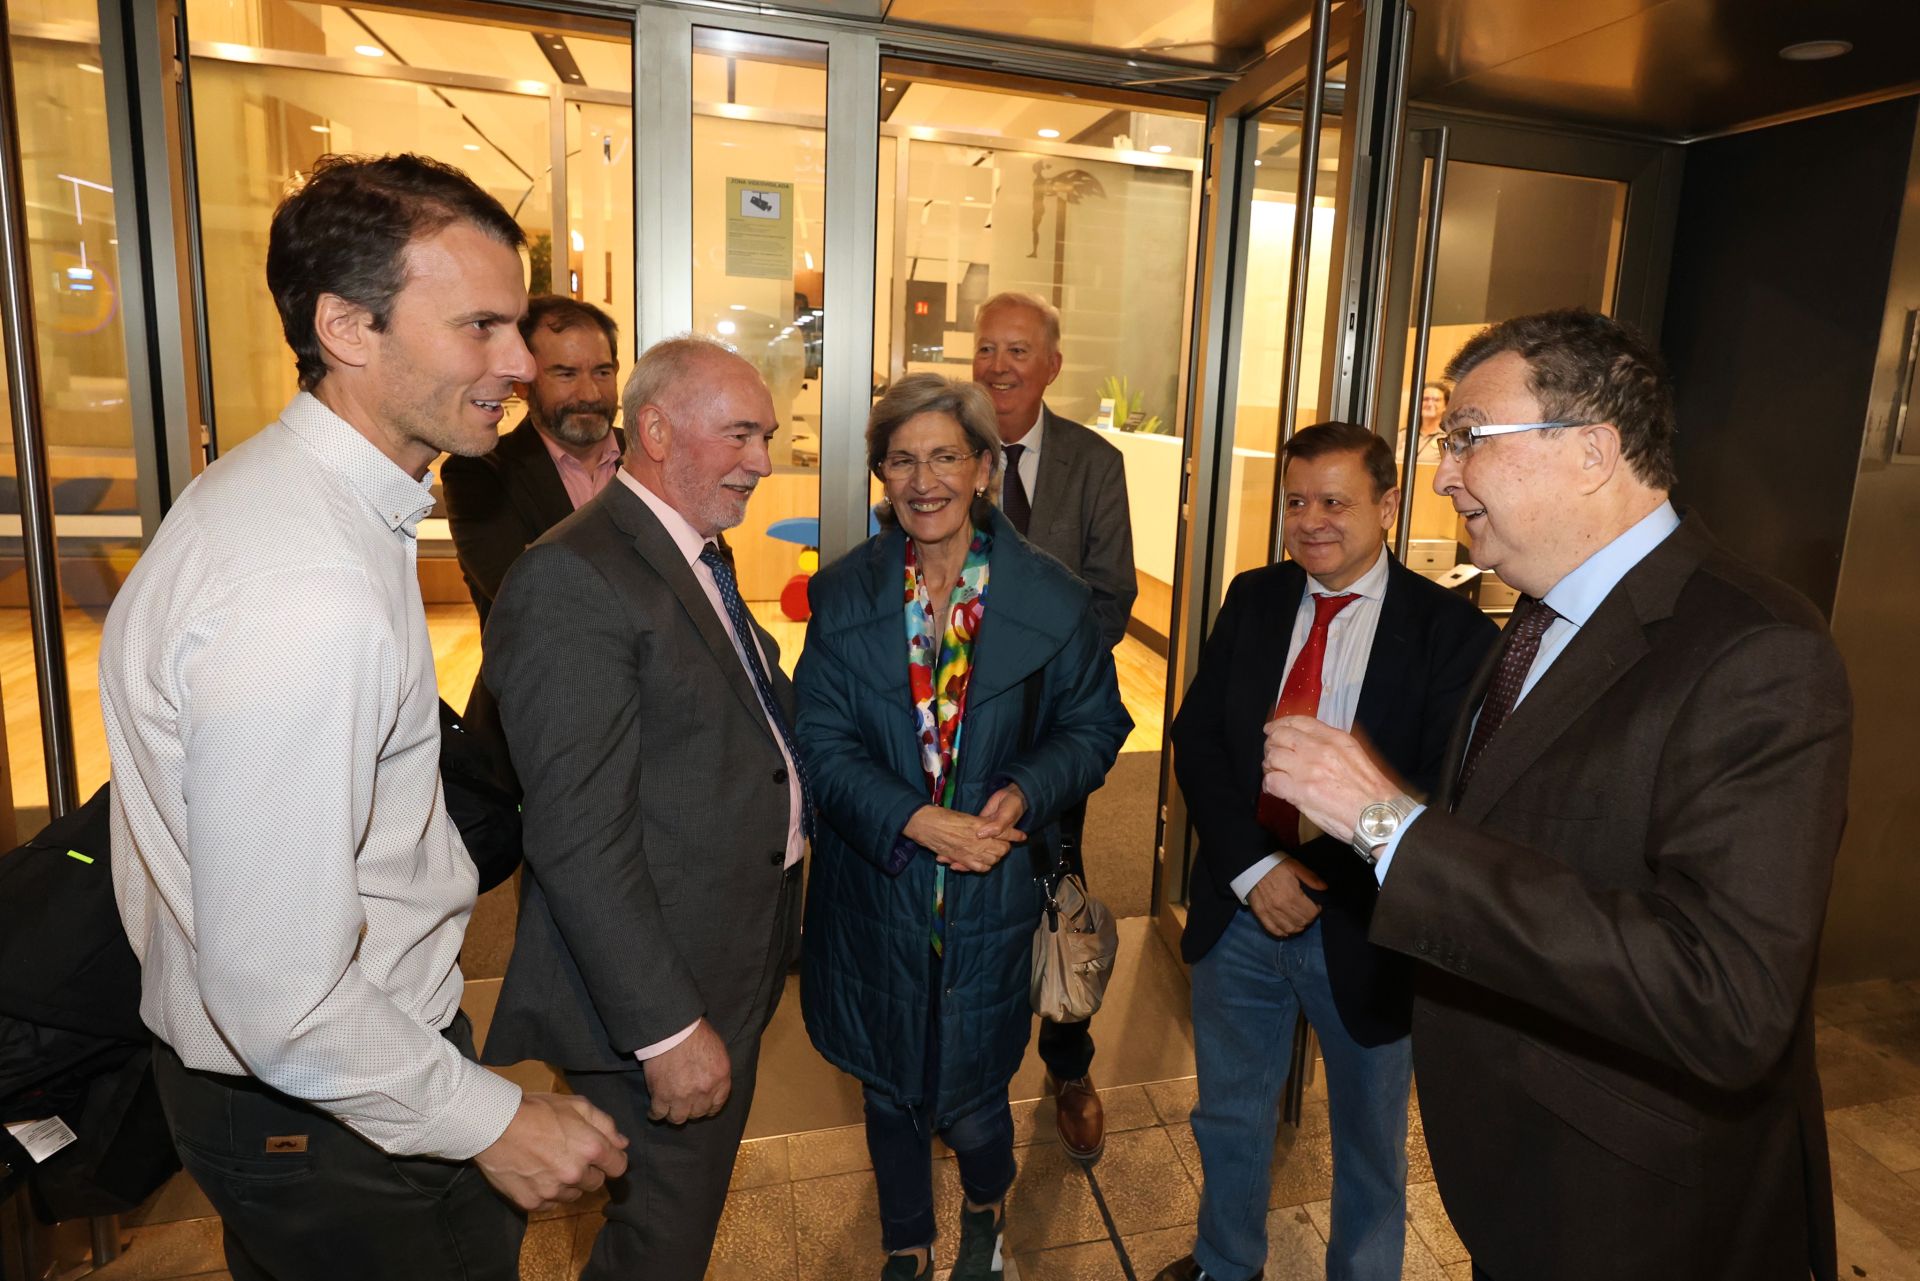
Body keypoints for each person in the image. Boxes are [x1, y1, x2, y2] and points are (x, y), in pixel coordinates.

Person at [97, 153, 627, 1281]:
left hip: (305, 1094)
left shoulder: (299, 497)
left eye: (517, 327)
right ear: (347, 327)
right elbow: (279, 990)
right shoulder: (305, 586)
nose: (522, 364)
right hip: (331, 1113)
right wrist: (491, 1120)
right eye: (481, 326)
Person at [1261, 309, 1852, 1281]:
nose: (1445, 474)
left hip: (1639, 1217)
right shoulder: (1538, 619)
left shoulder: (1760, 654)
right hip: (1525, 1185)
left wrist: (1389, 826)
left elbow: (1728, 999)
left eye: (1466, 439)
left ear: (1591, 450)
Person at [480, 336, 804, 1281]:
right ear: (656, 430)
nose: (763, 461)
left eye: (767, 436)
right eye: (741, 434)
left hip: (719, 954)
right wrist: (666, 1030)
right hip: (658, 992)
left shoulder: (683, 547)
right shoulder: (574, 575)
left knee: (672, 1223)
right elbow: (578, 836)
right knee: (659, 1241)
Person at [795, 373, 1131, 1281]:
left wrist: (1023, 790)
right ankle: (905, 1239)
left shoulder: (1049, 597)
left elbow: (1097, 726)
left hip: (991, 892)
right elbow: (816, 740)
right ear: (881, 475)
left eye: (945, 455)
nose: (923, 478)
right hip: (878, 886)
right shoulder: (844, 596)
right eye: (900, 459)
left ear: (984, 466)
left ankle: (986, 1203)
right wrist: (915, 818)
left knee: (976, 1094)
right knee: (888, 1085)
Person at [1155, 422, 1495, 1281]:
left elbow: (1437, 794)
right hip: (1241, 907)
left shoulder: (1451, 632)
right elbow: (1198, 740)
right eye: (1296, 501)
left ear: (1386, 506)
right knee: (1230, 1115)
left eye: (1334, 502)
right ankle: (1225, 1262)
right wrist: (1254, 867)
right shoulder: (1255, 596)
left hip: (1368, 928)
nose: (1311, 521)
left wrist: (1317, 881)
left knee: (1369, 1141)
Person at [970, 290, 1135, 1159]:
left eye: (1018, 350)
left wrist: (1041, 682)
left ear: (1052, 366)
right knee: (965, 898)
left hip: (1057, 735)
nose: (999, 365)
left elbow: (1113, 592)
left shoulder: (1093, 463)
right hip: (957, 733)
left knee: (1056, 893)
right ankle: (969, 1070)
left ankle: (1069, 1062)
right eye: (987, 348)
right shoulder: (947, 449)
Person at [442, 295, 625, 627]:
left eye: (602, 372)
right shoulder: (480, 475)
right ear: (522, 383)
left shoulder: (655, 457)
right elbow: (529, 599)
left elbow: (712, 569)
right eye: (566, 374)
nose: (590, 393)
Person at [1414, 381, 1449, 461]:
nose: (1429, 404)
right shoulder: (1402, 436)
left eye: (1436, 400)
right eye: (1425, 399)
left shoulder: (1449, 438)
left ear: (1446, 406)